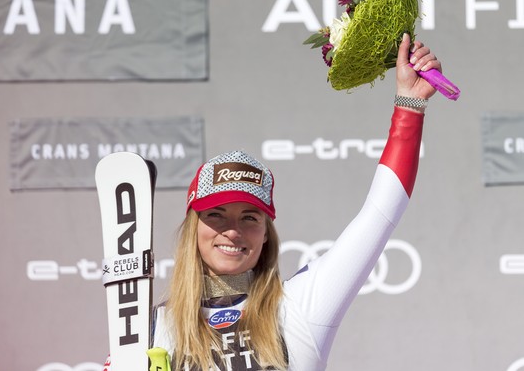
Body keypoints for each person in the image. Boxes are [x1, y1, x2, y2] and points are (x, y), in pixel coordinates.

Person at [104, 33, 442, 370]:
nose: (232, 231)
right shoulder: (153, 331)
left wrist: (410, 104)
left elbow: (379, 212)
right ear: (195, 227)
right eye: (217, 215)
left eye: (249, 217)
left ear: (266, 232)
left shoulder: (301, 307)